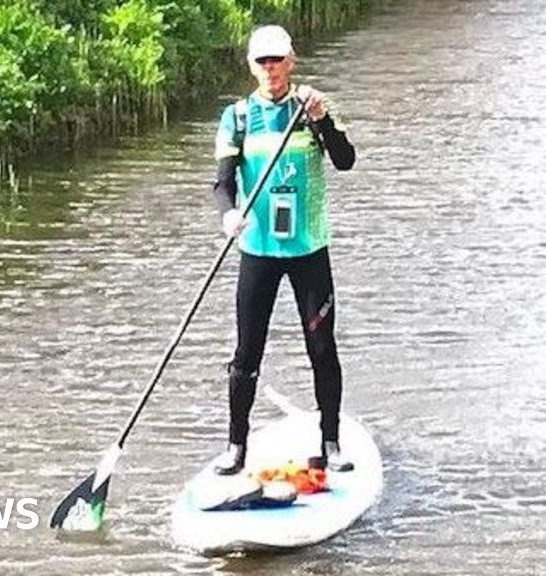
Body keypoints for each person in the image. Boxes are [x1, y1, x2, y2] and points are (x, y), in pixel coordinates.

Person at [210, 24, 356, 475]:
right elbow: (223, 181)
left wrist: (323, 120)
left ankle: (330, 441)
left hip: (309, 250)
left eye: (278, 60)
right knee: (246, 351)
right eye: (262, 62)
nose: (271, 69)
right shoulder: (236, 117)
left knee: (321, 347)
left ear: (292, 61)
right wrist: (228, 214)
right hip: (258, 251)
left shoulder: (311, 107)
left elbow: (346, 160)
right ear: (252, 67)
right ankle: (236, 448)